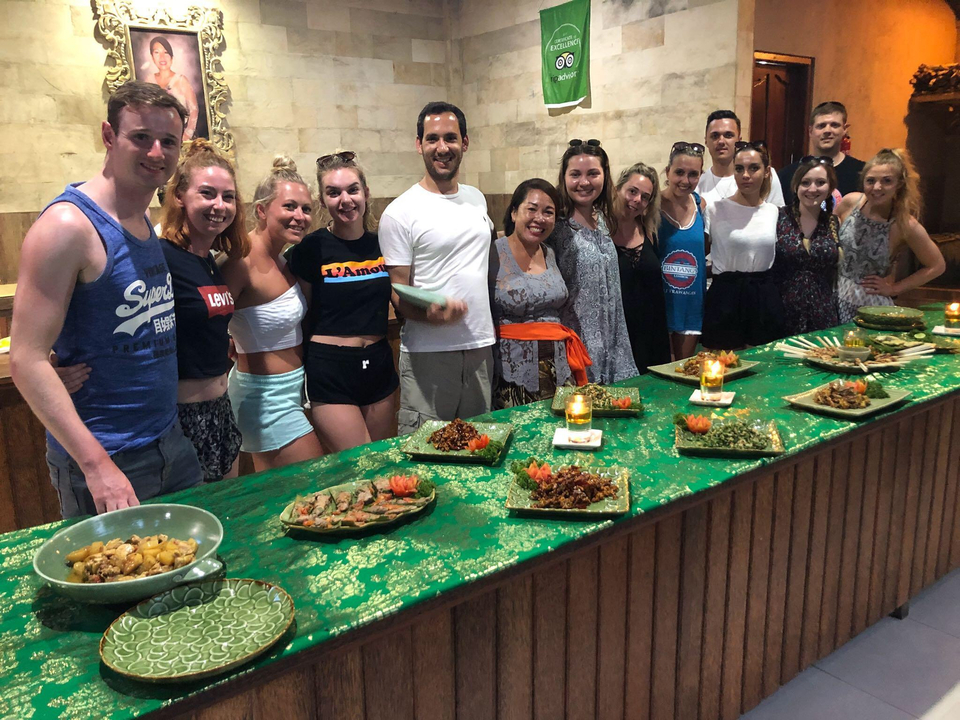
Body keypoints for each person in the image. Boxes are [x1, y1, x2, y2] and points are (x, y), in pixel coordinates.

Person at [9, 81, 202, 517]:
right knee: (121, 585)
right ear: (109, 136)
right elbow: (26, 359)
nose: (156, 152)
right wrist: (97, 466)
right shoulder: (68, 227)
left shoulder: (141, 215)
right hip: (107, 457)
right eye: (141, 137)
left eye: (168, 141)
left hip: (168, 440)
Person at [380, 102, 495, 435]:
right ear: (419, 145)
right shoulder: (400, 212)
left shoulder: (476, 198)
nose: (442, 148)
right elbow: (397, 292)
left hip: (479, 348)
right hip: (428, 354)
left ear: (465, 142)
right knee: (426, 452)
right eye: (432, 139)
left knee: (480, 447)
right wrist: (431, 315)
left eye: (450, 138)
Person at [288, 151, 398, 452]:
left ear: (365, 194)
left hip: (378, 364)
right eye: (333, 193)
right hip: (331, 367)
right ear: (323, 201)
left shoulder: (382, 243)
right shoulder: (312, 247)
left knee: (383, 462)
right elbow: (302, 311)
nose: (345, 200)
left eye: (352, 190)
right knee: (358, 464)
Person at [221, 157, 324, 472]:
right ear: (262, 210)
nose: (300, 216)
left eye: (306, 209)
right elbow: (206, 324)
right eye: (290, 207)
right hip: (264, 398)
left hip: (294, 389)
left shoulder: (285, 259)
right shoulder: (239, 262)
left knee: (284, 500)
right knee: (313, 483)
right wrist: (232, 341)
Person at [159, 139, 247, 481]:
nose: (219, 205)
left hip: (221, 410)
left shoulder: (208, 260)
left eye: (228, 197)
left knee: (231, 518)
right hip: (183, 417)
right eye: (207, 194)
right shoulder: (163, 256)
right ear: (180, 196)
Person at [490, 178, 591, 408]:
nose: (539, 218)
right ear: (514, 213)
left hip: (558, 367)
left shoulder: (550, 253)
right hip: (509, 371)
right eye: (532, 209)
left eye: (548, 212)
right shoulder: (493, 252)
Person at [548, 139, 638, 383]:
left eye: (593, 174)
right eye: (575, 174)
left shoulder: (605, 221)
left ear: (604, 176)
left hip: (614, 340)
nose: (584, 182)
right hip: (577, 344)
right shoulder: (556, 227)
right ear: (564, 177)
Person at [835, 148, 945, 323]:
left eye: (886, 181)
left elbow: (937, 265)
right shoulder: (850, 202)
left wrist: (894, 288)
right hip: (834, 298)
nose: (877, 187)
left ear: (899, 184)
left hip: (870, 308)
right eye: (870, 181)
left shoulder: (905, 224)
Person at [701, 142, 784, 349]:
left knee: (761, 367)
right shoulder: (715, 209)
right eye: (739, 168)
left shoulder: (773, 212)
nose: (745, 175)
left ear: (766, 172)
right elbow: (700, 252)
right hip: (726, 295)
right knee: (722, 367)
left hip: (762, 295)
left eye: (754, 168)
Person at [772, 157, 842, 335]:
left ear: (829, 189)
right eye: (805, 182)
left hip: (824, 315)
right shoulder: (778, 217)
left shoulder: (834, 223)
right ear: (796, 187)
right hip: (782, 312)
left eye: (820, 183)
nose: (812, 189)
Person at [611, 163, 671, 371]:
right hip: (618, 333)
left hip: (651, 331)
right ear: (618, 189)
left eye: (645, 197)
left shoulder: (649, 231)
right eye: (632, 191)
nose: (637, 200)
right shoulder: (601, 230)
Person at [658, 141, 708, 360]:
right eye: (679, 172)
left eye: (693, 174)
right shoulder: (650, 206)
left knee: (684, 372)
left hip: (691, 305)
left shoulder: (701, 205)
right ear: (668, 171)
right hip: (660, 304)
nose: (685, 181)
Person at [779, 101, 866, 204]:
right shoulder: (786, 176)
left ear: (844, 129)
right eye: (821, 126)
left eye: (834, 125)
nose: (827, 130)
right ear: (810, 131)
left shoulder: (863, 173)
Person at [698, 109, 785, 205]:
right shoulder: (698, 182)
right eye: (715, 136)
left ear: (739, 140)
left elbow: (778, 216)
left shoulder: (763, 176)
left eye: (728, 135)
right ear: (706, 141)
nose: (721, 141)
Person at [146, 36, 199, 142]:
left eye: (165, 52)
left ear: (171, 56)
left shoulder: (181, 80)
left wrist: (186, 136)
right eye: (157, 52)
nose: (162, 57)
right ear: (152, 57)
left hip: (179, 137)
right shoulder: (149, 80)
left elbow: (194, 110)